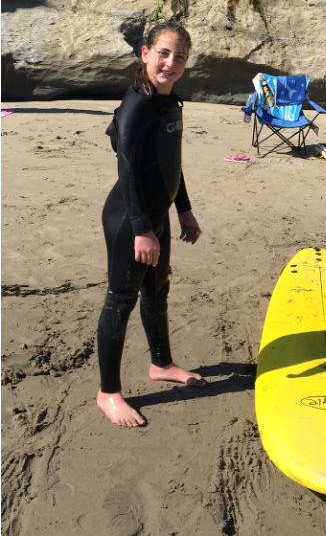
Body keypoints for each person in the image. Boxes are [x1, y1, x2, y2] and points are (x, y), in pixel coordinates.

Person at [96, 22, 204, 427]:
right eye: (163, 53)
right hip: (129, 219)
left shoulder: (169, 102)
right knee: (119, 303)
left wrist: (184, 209)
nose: (170, 63)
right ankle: (108, 394)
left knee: (157, 294)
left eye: (179, 56)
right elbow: (127, 170)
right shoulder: (136, 105)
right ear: (145, 53)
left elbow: (168, 166)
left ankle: (161, 365)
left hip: (156, 215)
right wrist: (142, 228)